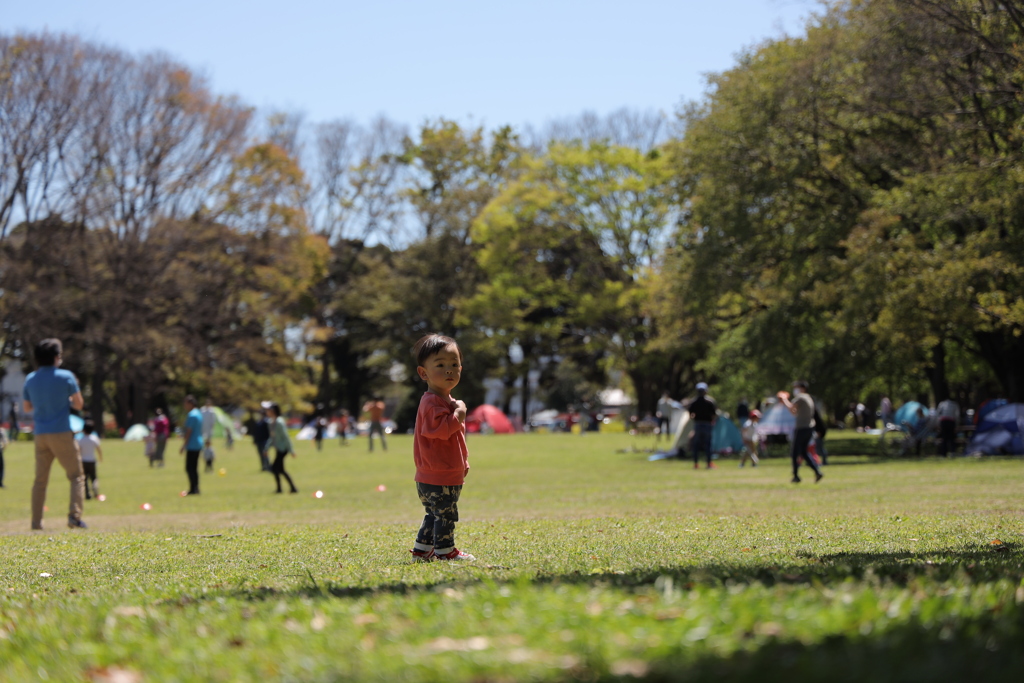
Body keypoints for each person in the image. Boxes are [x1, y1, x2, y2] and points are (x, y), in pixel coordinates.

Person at [409, 333, 474, 562]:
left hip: (443, 472)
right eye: (440, 365)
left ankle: (422, 549)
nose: (449, 370)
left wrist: (462, 463)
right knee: (445, 515)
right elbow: (441, 430)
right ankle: (445, 552)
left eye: (454, 364)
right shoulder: (431, 402)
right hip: (437, 474)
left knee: (435, 513)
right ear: (423, 373)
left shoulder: (445, 399)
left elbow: (454, 441)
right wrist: (459, 414)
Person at [22, 338, 87, 530]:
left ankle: (36, 522)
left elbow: (27, 407)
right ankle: (74, 518)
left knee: (40, 481)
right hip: (61, 432)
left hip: (41, 434)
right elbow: (79, 404)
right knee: (76, 476)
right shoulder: (66, 376)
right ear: (57, 357)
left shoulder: (30, 379)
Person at [777, 381, 824, 484]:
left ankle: (796, 476)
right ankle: (817, 472)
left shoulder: (801, 397)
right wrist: (785, 401)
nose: (795, 389)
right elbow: (794, 412)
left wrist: (784, 399)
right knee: (803, 452)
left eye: (796, 387)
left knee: (795, 452)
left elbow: (791, 407)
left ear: (802, 388)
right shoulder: (808, 397)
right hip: (809, 428)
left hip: (802, 428)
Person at [263, 403, 298, 494]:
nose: (267, 412)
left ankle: (281, 489)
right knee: (280, 469)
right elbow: (272, 437)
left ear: (273, 411)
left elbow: (286, 437)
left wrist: (291, 450)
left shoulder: (279, 422)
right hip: (278, 448)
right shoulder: (271, 422)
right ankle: (290, 488)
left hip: (283, 449)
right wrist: (266, 448)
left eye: (269, 410)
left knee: (275, 468)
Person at [688, 382, 717, 469]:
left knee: (696, 445)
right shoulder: (710, 402)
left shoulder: (694, 402)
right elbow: (714, 414)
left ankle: (696, 464)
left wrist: (695, 418)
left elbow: (690, 413)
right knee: (708, 444)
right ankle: (708, 464)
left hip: (698, 424)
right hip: (707, 424)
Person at [179, 395, 203, 495]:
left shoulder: (192, 415)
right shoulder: (198, 413)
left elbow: (189, 431)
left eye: (186, 403)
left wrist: (184, 445)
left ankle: (193, 489)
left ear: (191, 404)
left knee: (189, 468)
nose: (185, 405)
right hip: (198, 442)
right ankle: (196, 488)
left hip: (192, 444)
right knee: (194, 468)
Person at [78, 419, 103, 500]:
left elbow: (78, 450)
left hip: (83, 461)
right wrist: (100, 458)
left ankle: (87, 494)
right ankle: (96, 492)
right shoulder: (94, 438)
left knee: (84, 479)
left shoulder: (81, 440)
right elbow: (98, 449)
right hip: (92, 461)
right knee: (94, 478)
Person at [201, 398, 217, 472]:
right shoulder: (202, 410)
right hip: (204, 427)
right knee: (204, 439)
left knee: (208, 439)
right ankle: (205, 450)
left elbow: (213, 420)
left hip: (209, 427)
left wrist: (212, 426)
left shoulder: (212, 411)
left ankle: (209, 451)